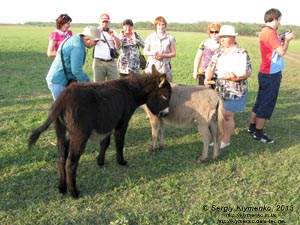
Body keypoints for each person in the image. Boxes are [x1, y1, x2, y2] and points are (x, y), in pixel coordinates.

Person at [248, 8, 295, 144]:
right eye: (279, 20)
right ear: (275, 19)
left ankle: (252, 127)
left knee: (260, 101)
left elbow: (272, 45)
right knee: (266, 103)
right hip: (271, 74)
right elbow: (281, 52)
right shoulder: (270, 32)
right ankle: (259, 133)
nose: (280, 22)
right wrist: (287, 40)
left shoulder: (265, 31)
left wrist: (280, 38)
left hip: (264, 72)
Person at [205, 25, 252, 149]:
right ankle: (219, 138)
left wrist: (237, 77)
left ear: (232, 37)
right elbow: (211, 67)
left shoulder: (242, 52)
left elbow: (248, 72)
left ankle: (226, 140)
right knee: (219, 115)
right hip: (221, 89)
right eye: (221, 37)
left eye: (224, 37)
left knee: (227, 115)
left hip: (236, 90)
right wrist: (207, 78)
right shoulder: (219, 52)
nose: (222, 39)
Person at [46, 26, 100, 101]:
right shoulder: (78, 47)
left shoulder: (74, 39)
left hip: (58, 78)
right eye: (96, 41)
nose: (96, 44)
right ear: (87, 39)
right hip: (59, 81)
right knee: (63, 109)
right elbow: (76, 70)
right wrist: (89, 82)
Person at [143, 16, 176, 82]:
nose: (161, 27)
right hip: (152, 67)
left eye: (163, 24)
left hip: (165, 68)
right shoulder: (150, 37)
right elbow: (145, 52)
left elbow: (173, 53)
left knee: (165, 86)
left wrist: (162, 55)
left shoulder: (170, 38)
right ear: (156, 26)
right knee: (150, 86)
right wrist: (154, 54)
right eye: (159, 25)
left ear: (165, 25)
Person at [92, 13, 121, 82]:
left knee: (114, 85)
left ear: (109, 22)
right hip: (99, 62)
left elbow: (118, 46)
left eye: (106, 22)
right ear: (99, 22)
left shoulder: (112, 31)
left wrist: (113, 36)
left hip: (111, 62)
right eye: (103, 22)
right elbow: (91, 43)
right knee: (98, 85)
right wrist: (99, 32)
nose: (105, 24)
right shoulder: (95, 31)